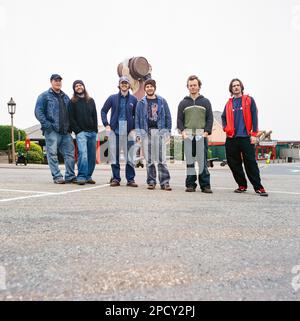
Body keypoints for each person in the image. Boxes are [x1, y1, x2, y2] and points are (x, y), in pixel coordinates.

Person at [221, 78, 268, 196]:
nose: (236, 87)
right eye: (233, 86)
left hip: (246, 137)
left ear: (241, 87)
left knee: (250, 163)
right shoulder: (229, 103)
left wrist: (254, 134)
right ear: (231, 89)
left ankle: (258, 187)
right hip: (232, 138)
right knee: (233, 163)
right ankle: (242, 185)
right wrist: (226, 129)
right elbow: (223, 117)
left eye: (238, 85)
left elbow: (255, 117)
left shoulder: (249, 100)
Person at [35, 74, 75, 184]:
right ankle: (57, 176)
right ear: (51, 82)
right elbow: (38, 112)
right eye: (55, 80)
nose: (58, 82)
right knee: (52, 154)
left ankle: (70, 176)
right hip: (52, 131)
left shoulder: (66, 97)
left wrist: (70, 127)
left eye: (59, 81)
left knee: (70, 154)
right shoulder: (44, 96)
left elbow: (70, 113)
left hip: (65, 131)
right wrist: (47, 125)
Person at [177, 75, 213, 193]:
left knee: (202, 161)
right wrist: (182, 132)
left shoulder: (205, 102)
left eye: (195, 85)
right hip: (188, 135)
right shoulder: (183, 103)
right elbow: (179, 120)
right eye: (190, 85)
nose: (192, 87)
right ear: (187, 87)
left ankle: (205, 185)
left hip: (201, 135)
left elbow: (210, 119)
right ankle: (191, 184)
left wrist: (206, 132)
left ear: (199, 86)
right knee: (190, 162)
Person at [101, 76, 138, 187]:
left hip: (128, 131)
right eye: (122, 83)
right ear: (119, 84)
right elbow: (103, 111)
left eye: (126, 83)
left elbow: (137, 115)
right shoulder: (112, 98)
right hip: (115, 130)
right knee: (114, 156)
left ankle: (130, 179)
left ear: (129, 85)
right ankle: (116, 178)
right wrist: (106, 125)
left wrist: (134, 128)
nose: (124, 84)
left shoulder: (134, 100)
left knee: (130, 156)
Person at [135, 79, 172, 190]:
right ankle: (151, 181)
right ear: (145, 89)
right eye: (147, 86)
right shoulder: (140, 103)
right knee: (149, 160)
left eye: (151, 86)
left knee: (162, 159)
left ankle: (165, 182)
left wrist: (168, 132)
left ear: (154, 88)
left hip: (160, 132)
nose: (149, 88)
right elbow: (137, 119)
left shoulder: (162, 101)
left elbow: (168, 117)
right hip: (146, 133)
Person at [69, 80, 98, 185]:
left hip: (92, 133)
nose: (78, 87)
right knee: (83, 154)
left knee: (91, 156)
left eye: (80, 85)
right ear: (74, 89)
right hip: (81, 133)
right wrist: (78, 130)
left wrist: (95, 130)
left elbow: (94, 116)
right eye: (76, 86)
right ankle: (81, 176)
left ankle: (88, 176)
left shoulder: (91, 101)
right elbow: (71, 118)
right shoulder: (72, 102)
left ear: (84, 87)